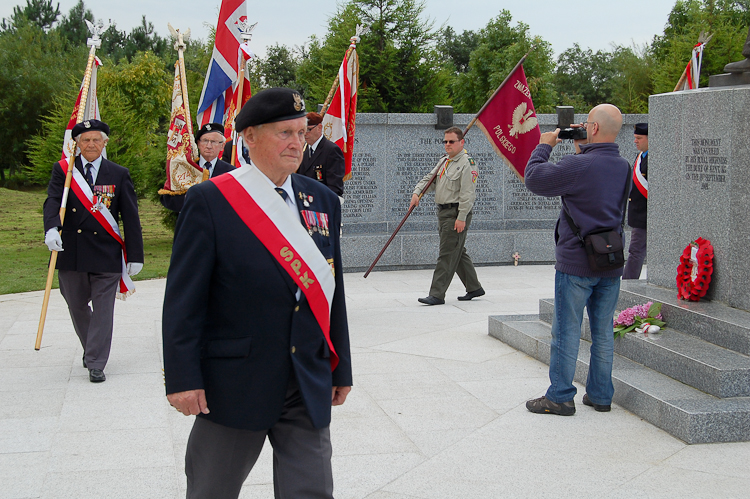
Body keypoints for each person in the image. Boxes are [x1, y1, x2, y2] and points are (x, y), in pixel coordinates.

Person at [162, 87, 352, 499]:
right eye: (285, 133)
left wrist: (342, 367)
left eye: (302, 133)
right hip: (234, 384)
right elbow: (184, 300)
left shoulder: (322, 200)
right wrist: (182, 378)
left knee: (312, 491)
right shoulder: (211, 200)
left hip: (306, 380)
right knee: (212, 490)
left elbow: (331, 290)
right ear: (248, 136)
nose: (297, 143)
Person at [523, 104, 630, 415]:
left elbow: (534, 178)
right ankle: (600, 395)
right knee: (602, 331)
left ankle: (560, 395)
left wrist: (544, 145)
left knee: (567, 330)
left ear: (593, 129)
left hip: (576, 262)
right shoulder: (623, 165)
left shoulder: (578, 165)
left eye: (586, 124)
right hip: (610, 259)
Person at [43, 119, 144, 383]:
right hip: (71, 252)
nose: (90, 144)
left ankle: (96, 362)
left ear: (104, 143)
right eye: (85, 140)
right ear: (76, 144)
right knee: (76, 304)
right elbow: (53, 201)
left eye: (95, 140)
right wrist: (51, 229)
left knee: (102, 310)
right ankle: (92, 349)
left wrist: (135, 255)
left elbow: (130, 217)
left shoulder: (118, 173)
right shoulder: (63, 171)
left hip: (105, 252)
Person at [410, 126, 484, 305]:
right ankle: (474, 287)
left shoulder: (468, 163)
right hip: (443, 212)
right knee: (456, 250)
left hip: (455, 213)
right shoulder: (445, 161)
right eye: (445, 141)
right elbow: (431, 179)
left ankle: (436, 294)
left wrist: (462, 217)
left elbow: (468, 193)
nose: (448, 145)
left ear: (461, 142)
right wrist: (417, 192)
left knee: (446, 253)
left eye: (452, 141)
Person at [160, 123, 235, 213]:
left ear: (222, 146)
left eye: (214, 142)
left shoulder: (231, 172)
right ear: (198, 143)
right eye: (205, 141)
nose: (209, 146)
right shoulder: (185, 167)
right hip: (191, 223)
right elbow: (167, 199)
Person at [297, 112, 346, 199]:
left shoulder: (331, 150)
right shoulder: (304, 150)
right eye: (302, 131)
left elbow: (334, 188)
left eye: (308, 130)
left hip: (322, 202)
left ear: (319, 128)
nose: (305, 134)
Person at [623, 123, 648, 280]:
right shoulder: (641, 156)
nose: (635, 141)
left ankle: (628, 283)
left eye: (639, 138)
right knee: (636, 251)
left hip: (645, 214)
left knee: (636, 251)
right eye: (634, 138)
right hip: (639, 214)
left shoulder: (653, 158)